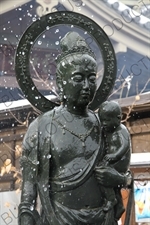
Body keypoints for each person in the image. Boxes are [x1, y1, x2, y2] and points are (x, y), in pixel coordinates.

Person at [19, 32, 132, 225]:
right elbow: (29, 181)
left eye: (91, 78)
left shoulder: (108, 128)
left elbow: (126, 177)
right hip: (57, 216)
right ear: (61, 83)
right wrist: (26, 212)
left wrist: (118, 179)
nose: (87, 86)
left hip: (102, 217)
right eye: (78, 78)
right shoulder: (41, 127)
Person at [96, 100, 131, 219]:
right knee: (111, 184)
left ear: (118, 118)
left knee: (104, 176)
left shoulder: (121, 130)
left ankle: (111, 199)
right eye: (102, 121)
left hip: (119, 162)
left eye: (107, 120)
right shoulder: (108, 130)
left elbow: (124, 146)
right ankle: (119, 204)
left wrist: (114, 156)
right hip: (112, 161)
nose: (104, 124)